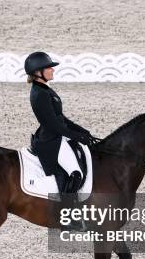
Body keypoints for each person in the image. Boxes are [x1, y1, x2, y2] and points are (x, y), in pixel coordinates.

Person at [25, 51, 96, 195]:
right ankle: (64, 210)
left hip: (56, 135)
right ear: (38, 72)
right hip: (51, 140)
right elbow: (54, 125)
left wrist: (82, 131)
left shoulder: (45, 89)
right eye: (49, 68)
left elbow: (60, 118)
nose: (53, 70)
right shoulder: (39, 94)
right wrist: (77, 136)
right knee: (76, 174)